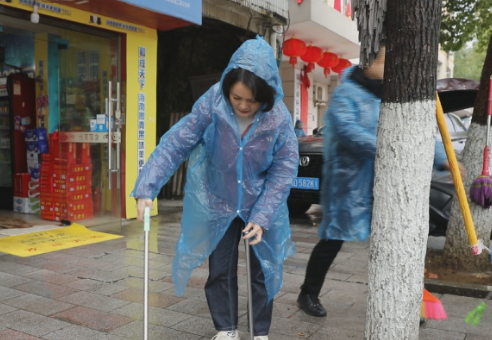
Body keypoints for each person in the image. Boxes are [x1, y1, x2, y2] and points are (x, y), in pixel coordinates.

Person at [131, 36, 298, 340]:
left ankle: (260, 331)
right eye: (237, 98)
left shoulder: (278, 118)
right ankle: (226, 328)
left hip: (260, 200)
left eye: (252, 100)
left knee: (263, 269)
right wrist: (147, 187)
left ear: (266, 95)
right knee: (220, 267)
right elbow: (177, 142)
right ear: (227, 87)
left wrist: (261, 216)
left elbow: (285, 168)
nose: (244, 105)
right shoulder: (213, 103)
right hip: (220, 197)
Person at [296, 45, 451, 317]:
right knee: (331, 241)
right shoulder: (347, 93)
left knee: (394, 244)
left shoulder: (393, 94)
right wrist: (391, 148)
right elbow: (348, 131)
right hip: (348, 185)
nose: (387, 66)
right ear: (368, 62)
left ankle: (404, 302)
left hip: (386, 185)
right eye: (382, 60)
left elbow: (418, 128)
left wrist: (442, 157)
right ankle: (308, 293)